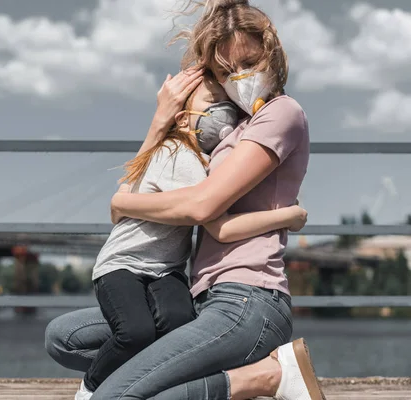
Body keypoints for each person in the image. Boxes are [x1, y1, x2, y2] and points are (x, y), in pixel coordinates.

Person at [46, 0, 326, 399]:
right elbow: (145, 187)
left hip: (246, 299)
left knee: (116, 395)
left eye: (249, 61)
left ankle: (266, 377)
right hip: (198, 300)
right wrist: (160, 122)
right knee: (64, 337)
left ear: (271, 51)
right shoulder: (226, 130)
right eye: (226, 71)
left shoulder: (281, 114)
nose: (240, 77)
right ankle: (215, 378)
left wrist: (123, 202)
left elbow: (199, 208)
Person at [75, 76, 308, 400]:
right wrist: (289, 216)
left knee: (161, 334)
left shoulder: (210, 157)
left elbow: (133, 194)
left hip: (170, 274)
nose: (222, 112)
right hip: (128, 267)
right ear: (184, 119)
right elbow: (206, 214)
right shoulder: (183, 157)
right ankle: (129, 379)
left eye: (226, 105)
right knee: (125, 334)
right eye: (212, 106)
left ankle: (242, 377)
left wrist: (122, 201)